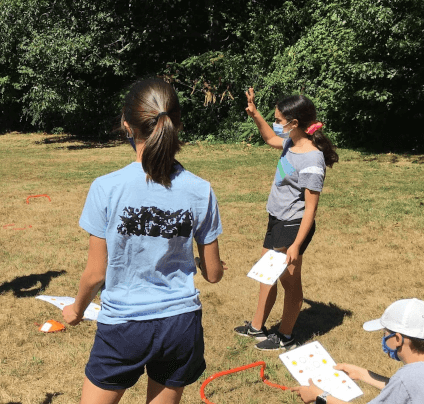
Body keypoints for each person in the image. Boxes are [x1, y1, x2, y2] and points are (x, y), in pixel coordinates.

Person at [62, 79, 227, 404]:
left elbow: (96, 273)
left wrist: (76, 309)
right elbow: (214, 273)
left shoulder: (106, 188)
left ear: (127, 124)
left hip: (124, 326)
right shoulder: (200, 189)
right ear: (177, 124)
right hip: (180, 326)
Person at [233, 88, 339, 351]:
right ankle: (257, 326)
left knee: (289, 282)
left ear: (294, 123)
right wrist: (254, 113)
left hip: (293, 225)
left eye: (279, 120)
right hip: (277, 219)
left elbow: (310, 210)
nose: (276, 124)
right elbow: (270, 139)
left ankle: (286, 335)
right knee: (266, 274)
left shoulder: (313, 160)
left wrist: (295, 245)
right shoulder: (292, 141)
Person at [291, 298, 424, 404]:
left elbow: (403, 386)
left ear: (397, 339)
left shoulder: (407, 378)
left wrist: (320, 396)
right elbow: (405, 391)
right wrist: (361, 373)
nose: (383, 337)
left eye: (385, 333)